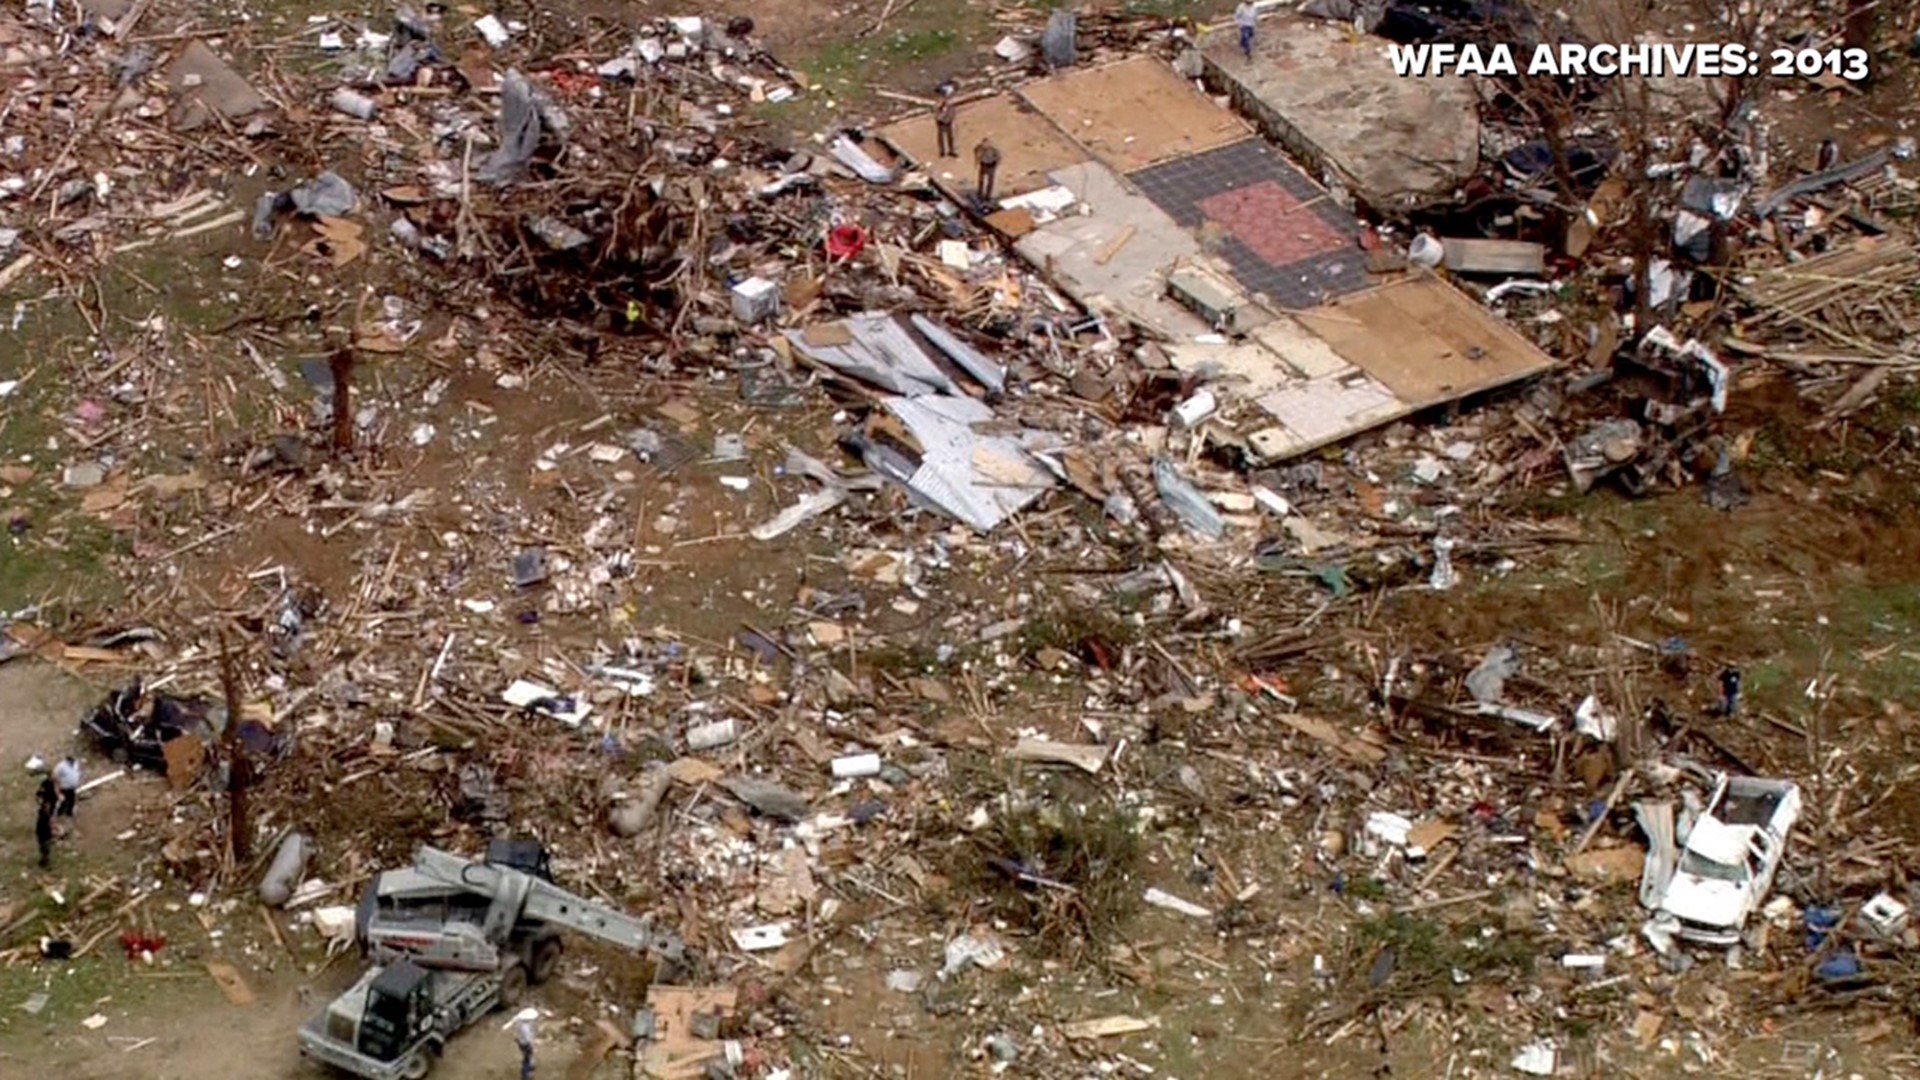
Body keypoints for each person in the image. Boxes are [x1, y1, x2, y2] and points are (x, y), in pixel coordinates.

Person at [35, 776, 57, 869]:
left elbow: (38, 796)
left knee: (44, 841)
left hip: (43, 825)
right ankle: (45, 859)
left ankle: (44, 858)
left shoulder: (48, 790)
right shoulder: (49, 791)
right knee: (45, 841)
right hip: (44, 826)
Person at [52, 756, 81, 821]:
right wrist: (58, 791)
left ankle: (69, 814)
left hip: (72, 788)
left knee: (71, 801)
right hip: (64, 788)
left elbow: (77, 773)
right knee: (62, 802)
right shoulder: (61, 766)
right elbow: (54, 777)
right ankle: (59, 815)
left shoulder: (76, 764)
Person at [512, 1007, 537, 1078]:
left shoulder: (519, 1022)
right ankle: (525, 1074)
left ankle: (530, 1066)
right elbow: (528, 1039)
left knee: (527, 1055)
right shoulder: (525, 1027)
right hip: (525, 1043)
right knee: (527, 1058)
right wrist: (532, 1045)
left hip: (520, 1041)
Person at [974, 138, 1001, 203]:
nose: (985, 145)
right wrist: (977, 160)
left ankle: (988, 196)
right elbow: (975, 151)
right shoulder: (979, 148)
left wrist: (996, 165)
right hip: (983, 165)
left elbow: (998, 157)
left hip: (991, 166)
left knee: (990, 182)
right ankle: (980, 194)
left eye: (987, 144)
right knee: (981, 180)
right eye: (984, 143)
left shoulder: (993, 150)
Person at [934, 93, 957, 158]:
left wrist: (950, 119)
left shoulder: (949, 106)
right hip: (941, 123)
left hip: (948, 122)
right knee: (941, 138)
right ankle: (942, 151)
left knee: (950, 137)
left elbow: (952, 113)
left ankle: (951, 150)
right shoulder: (937, 107)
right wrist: (941, 116)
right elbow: (936, 115)